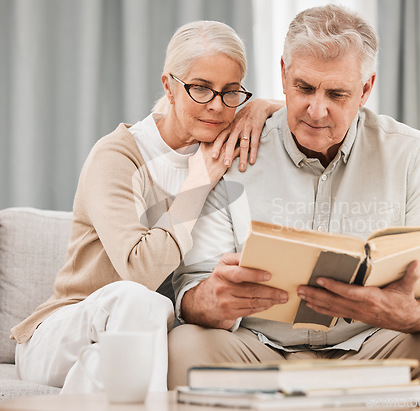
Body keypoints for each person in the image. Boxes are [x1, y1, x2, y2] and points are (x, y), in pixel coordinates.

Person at [169, 5, 420, 411]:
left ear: (366, 89)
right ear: (282, 73)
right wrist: (211, 300)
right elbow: (190, 286)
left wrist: (412, 314)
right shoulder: (232, 148)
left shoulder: (410, 155)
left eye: (336, 94)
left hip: (373, 345)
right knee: (185, 345)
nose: (316, 110)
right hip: (259, 348)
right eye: (303, 88)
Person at [11, 20, 282, 394]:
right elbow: (140, 272)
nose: (217, 107)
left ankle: (101, 384)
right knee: (145, 303)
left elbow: (314, 117)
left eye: (231, 92)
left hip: (147, 343)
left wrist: (263, 108)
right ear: (169, 87)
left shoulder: (226, 141)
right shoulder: (119, 155)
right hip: (67, 333)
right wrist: (197, 182)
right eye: (200, 89)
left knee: (154, 329)